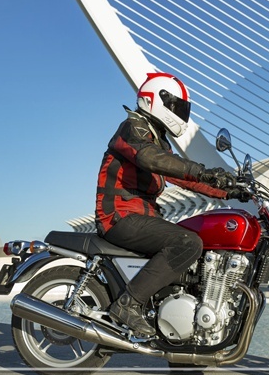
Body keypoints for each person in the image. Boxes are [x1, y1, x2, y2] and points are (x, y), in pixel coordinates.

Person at [95, 72, 244, 336]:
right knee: (187, 243)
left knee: (197, 251)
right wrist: (203, 171)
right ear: (156, 99)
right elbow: (150, 159)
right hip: (119, 217)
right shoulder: (133, 128)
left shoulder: (157, 140)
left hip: (143, 218)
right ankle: (128, 305)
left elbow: (183, 177)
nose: (180, 113)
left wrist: (229, 190)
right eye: (176, 106)